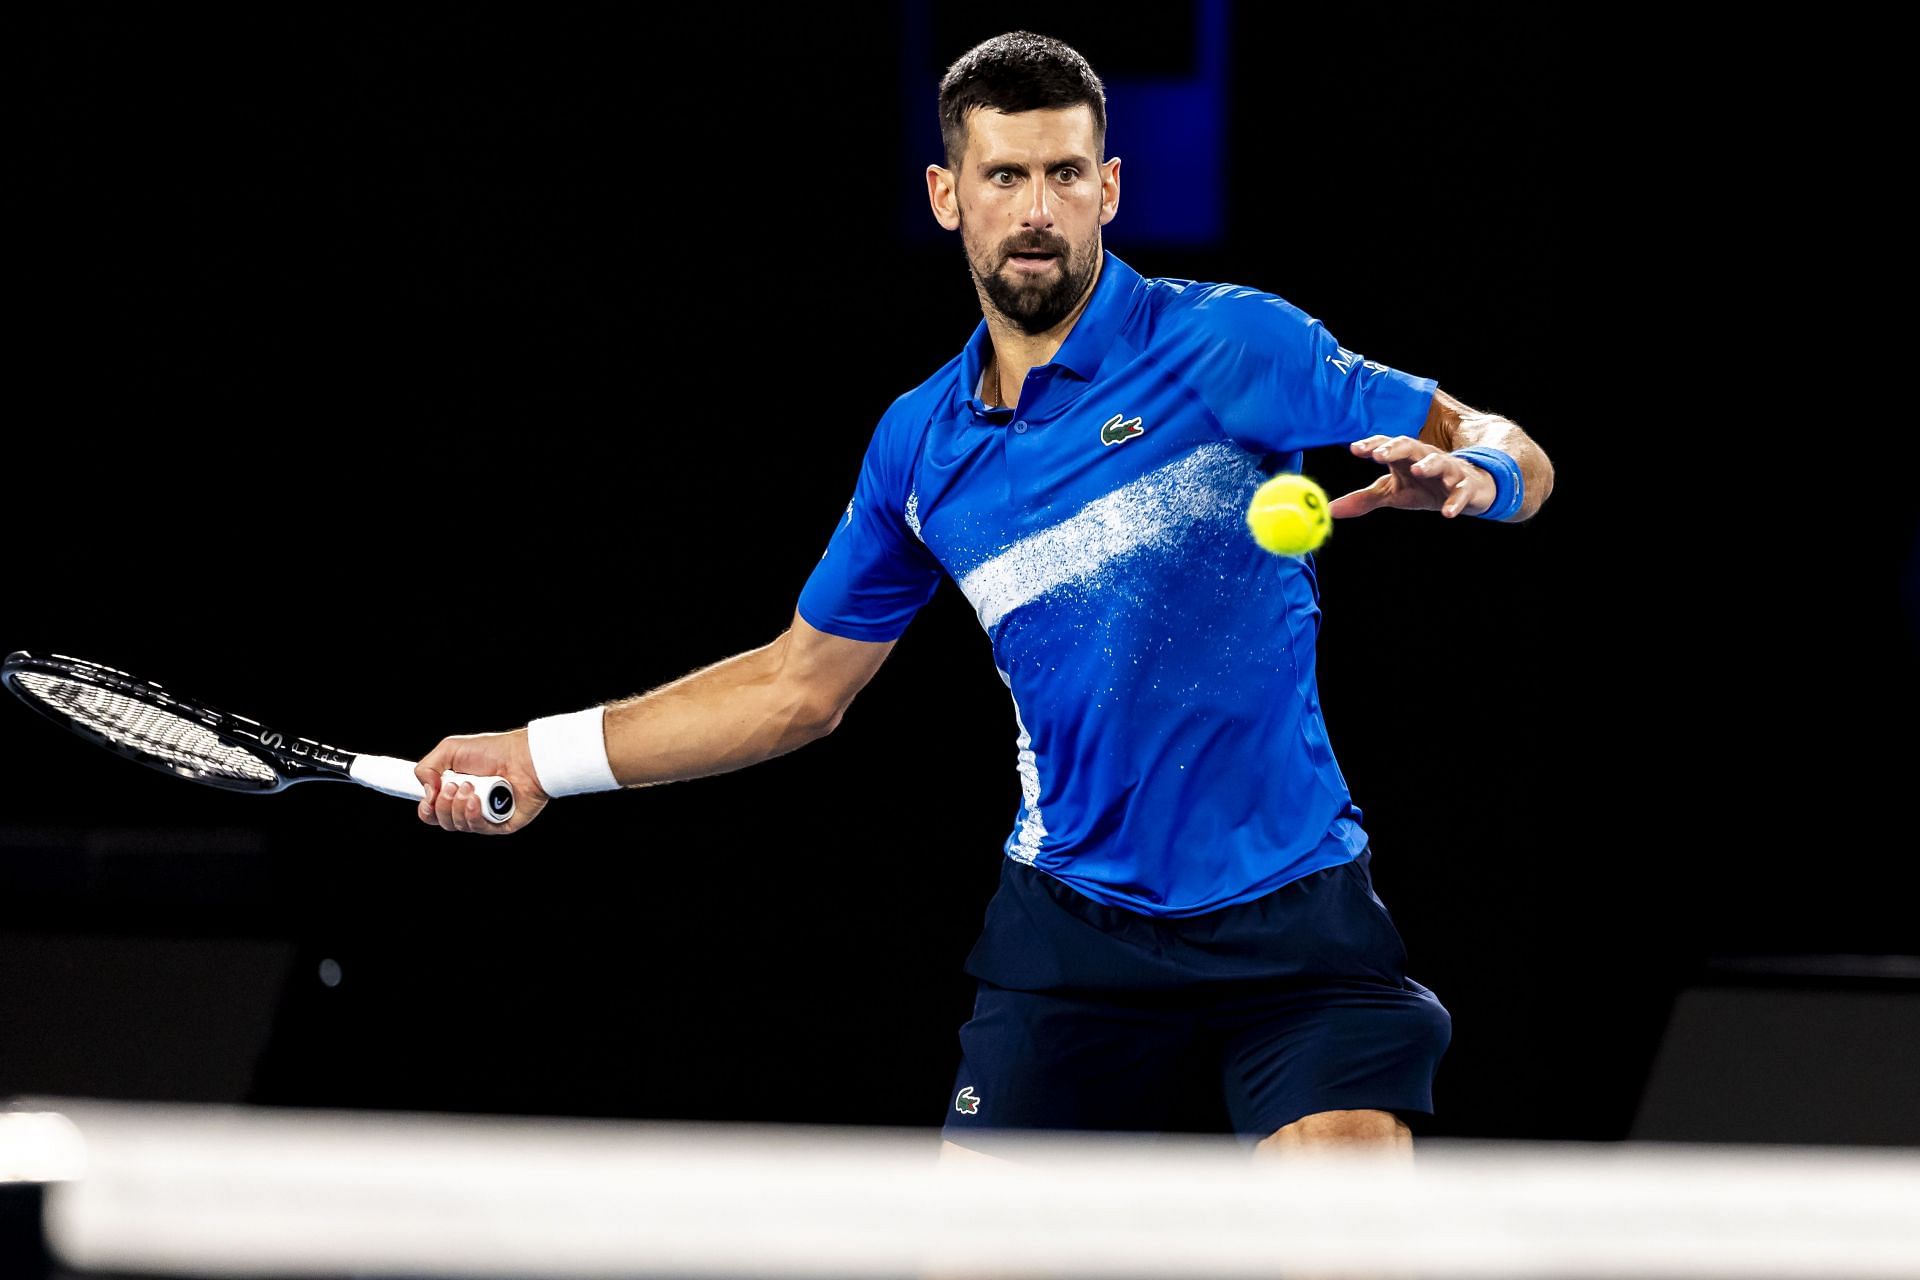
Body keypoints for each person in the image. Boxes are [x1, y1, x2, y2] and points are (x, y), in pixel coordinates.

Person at [413, 31, 1554, 1162]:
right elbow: (794, 687)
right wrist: (539, 752)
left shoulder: (1231, 343)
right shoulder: (919, 445)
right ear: (947, 194)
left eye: (1066, 174)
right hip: (1072, 927)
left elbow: (1507, 443)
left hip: (1294, 912)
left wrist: (1484, 475)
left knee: (1347, 1230)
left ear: (1107, 188)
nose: (1037, 209)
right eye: (1005, 176)